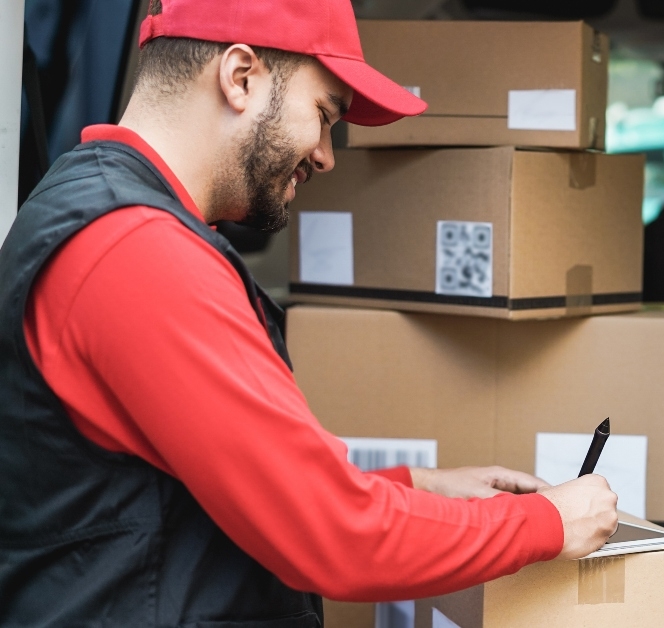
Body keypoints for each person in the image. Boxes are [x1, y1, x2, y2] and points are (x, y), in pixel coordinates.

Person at [0, 0, 618, 625]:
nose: (325, 155)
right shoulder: (137, 254)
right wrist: (548, 523)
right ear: (240, 77)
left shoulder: (97, 212)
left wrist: (417, 487)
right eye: (323, 115)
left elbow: (218, 498)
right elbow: (335, 536)